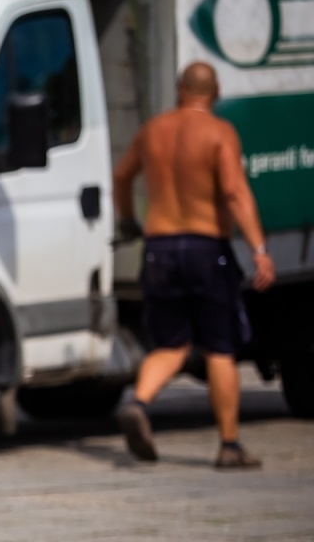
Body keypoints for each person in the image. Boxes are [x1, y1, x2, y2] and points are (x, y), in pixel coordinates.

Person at [113, 61, 275, 468]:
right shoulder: (219, 133)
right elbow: (234, 191)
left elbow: (121, 177)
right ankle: (229, 445)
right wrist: (258, 248)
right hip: (206, 247)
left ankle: (139, 403)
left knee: (170, 345)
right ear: (215, 92)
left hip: (160, 247)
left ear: (179, 90)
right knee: (220, 347)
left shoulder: (153, 131)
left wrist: (128, 219)